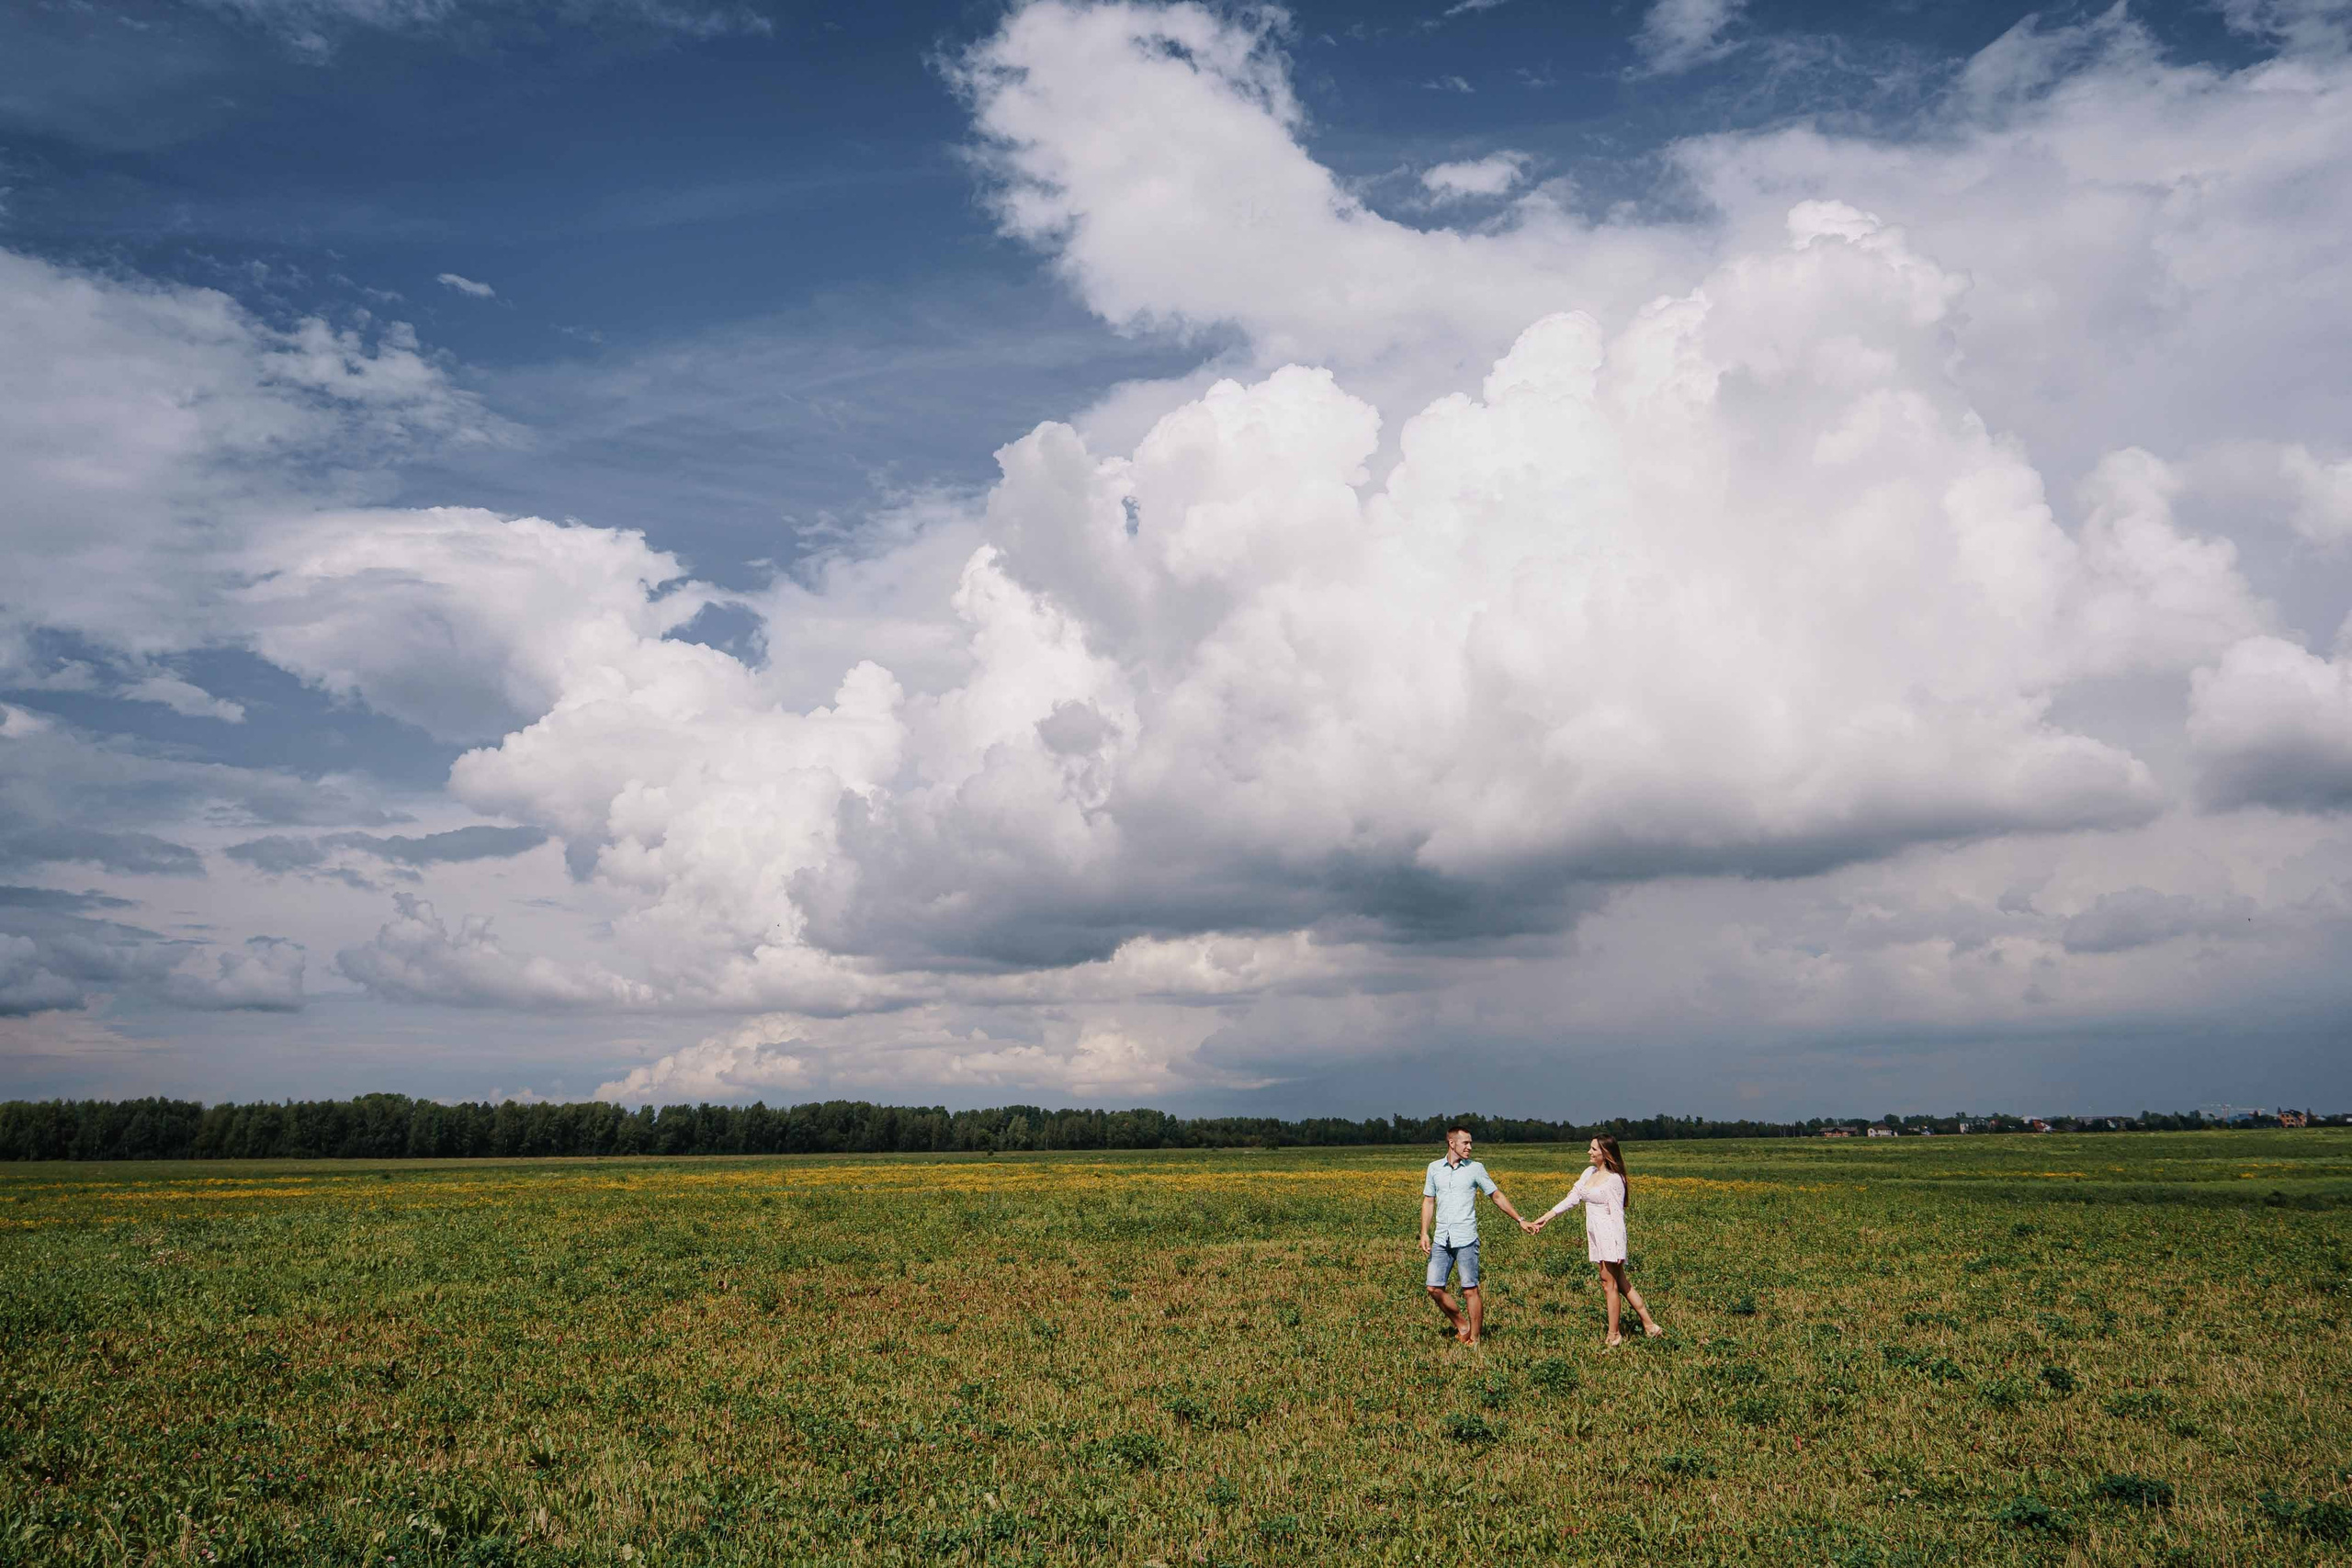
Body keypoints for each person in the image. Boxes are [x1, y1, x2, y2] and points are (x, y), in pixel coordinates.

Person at [1528, 1135, 1664, 1347]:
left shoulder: (1615, 1180)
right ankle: (1650, 1326)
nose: (1589, 1152)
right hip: (1596, 1235)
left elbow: (1618, 1215)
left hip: (1610, 1236)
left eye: (1593, 1149)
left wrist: (1620, 1249)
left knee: (1608, 1284)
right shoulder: (1588, 1173)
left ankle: (1614, 1334)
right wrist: (1547, 1216)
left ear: (1605, 1153)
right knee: (1621, 1283)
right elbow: (1572, 1198)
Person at [1419, 1123, 1533, 1347]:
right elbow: (1428, 1201)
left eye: (1471, 1142)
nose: (1470, 1147)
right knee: (1433, 1288)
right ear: (1452, 1143)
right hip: (1442, 1238)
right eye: (1466, 1143)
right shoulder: (1434, 1168)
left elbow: (1496, 1196)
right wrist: (1424, 1232)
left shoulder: (1476, 1168)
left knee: (1470, 1290)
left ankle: (1475, 1338)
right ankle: (1462, 1325)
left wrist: (1520, 1219)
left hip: (1466, 1238)